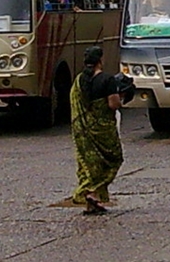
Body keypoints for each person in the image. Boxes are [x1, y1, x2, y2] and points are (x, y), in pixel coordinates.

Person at [71, 45, 124, 215]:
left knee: (87, 164)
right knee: (112, 159)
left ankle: (91, 203)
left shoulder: (79, 80)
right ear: (100, 60)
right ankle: (92, 192)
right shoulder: (107, 80)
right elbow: (113, 104)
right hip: (103, 129)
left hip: (83, 131)